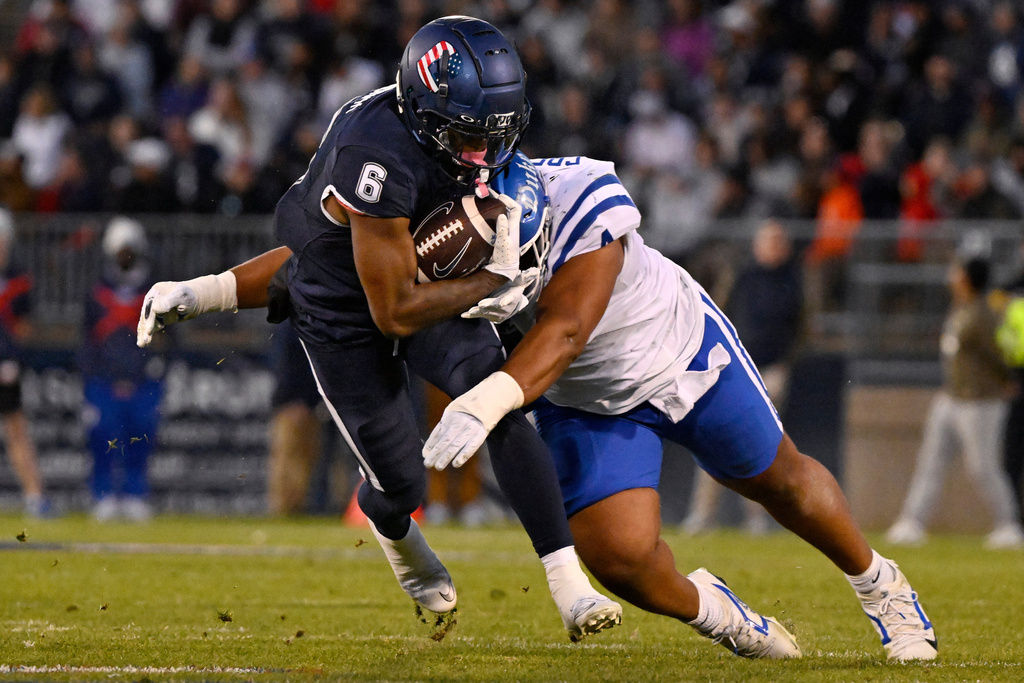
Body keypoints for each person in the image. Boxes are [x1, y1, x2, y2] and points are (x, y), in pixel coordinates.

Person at [136, 17, 620, 641]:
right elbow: (382, 304)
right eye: (471, 135)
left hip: (402, 282)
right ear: (426, 110)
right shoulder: (375, 155)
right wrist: (492, 281)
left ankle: (569, 587)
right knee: (400, 484)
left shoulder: (449, 130)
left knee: (495, 397)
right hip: (348, 315)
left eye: (496, 133)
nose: (485, 155)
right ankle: (397, 539)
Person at [422, 153, 937, 661]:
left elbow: (566, 331)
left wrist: (484, 401)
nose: (507, 271)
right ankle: (724, 616)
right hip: (582, 400)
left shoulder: (582, 198)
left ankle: (880, 584)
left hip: (679, 352)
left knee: (783, 482)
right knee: (619, 558)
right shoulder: (449, 231)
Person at [887, 257, 1024, 549]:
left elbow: (997, 353)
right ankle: (912, 521)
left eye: (957, 271)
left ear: (968, 278)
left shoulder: (984, 313)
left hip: (979, 401)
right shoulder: (961, 308)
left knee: (982, 466)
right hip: (951, 397)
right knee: (930, 462)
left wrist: (1006, 380)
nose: (951, 276)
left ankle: (1009, 524)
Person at [682, 219, 801, 536]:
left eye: (778, 241)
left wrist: (786, 360)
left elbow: (802, 325)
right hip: (735, 370)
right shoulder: (743, 277)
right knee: (714, 438)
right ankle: (702, 516)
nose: (773, 248)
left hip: (772, 369)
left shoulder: (793, 280)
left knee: (762, 443)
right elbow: (719, 314)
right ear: (757, 245)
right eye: (768, 241)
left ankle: (758, 519)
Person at [83, 217, 163, 522]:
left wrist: (147, 371)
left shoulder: (155, 291)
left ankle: (135, 494)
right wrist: (100, 373)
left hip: (143, 378)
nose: (125, 256)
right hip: (104, 378)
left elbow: (165, 336)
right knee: (103, 436)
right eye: (120, 251)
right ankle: (103, 494)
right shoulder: (96, 292)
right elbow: (88, 339)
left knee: (140, 435)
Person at [0, 208, 50, 517]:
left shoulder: (18, 279)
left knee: (17, 429)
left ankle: (35, 496)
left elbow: (24, 327)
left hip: (5, 367)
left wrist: (11, 356)